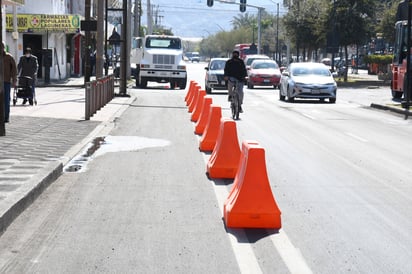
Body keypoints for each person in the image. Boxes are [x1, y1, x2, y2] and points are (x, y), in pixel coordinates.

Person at [1, 42, 17, 123]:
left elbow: (14, 70)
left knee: (6, 100)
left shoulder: (9, 57)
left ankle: (6, 117)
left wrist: (14, 80)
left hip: (6, 81)